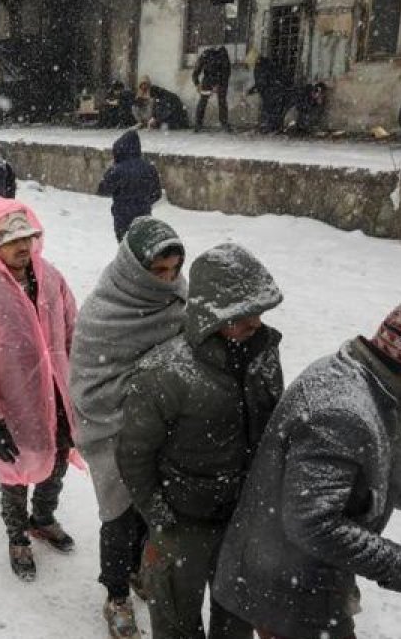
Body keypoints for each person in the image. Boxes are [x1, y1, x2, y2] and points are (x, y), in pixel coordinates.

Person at [214, 300, 401, 639]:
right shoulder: (343, 412)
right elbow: (314, 525)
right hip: (290, 586)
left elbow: (361, 475)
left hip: (290, 571)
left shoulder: (364, 383)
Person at [116, 242, 283, 639]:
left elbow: (271, 430)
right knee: (175, 623)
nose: (255, 322)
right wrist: (159, 518)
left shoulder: (263, 354)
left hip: (243, 520)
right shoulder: (165, 373)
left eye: (258, 311)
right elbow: (134, 453)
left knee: (236, 622)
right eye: (242, 314)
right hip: (182, 524)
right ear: (210, 312)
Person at [68, 217, 187, 638]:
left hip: (162, 434)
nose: (168, 280)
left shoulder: (177, 303)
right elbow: (88, 385)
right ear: (134, 269)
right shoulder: (103, 314)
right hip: (113, 434)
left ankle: (140, 572)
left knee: (150, 513)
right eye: (158, 271)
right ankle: (115, 594)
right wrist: (142, 397)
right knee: (118, 516)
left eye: (174, 270)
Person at [0, 198, 83, 582]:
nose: (21, 246)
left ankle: (42, 518)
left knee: (58, 458)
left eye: (27, 236)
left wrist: (81, 387)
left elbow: (74, 333)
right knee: (15, 475)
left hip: (57, 395)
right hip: (14, 405)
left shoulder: (51, 278)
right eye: (10, 239)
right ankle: (18, 537)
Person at [97, 130, 162, 241]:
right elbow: (157, 194)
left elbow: (102, 189)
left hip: (123, 217)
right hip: (144, 216)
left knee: (126, 247)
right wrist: (144, 202)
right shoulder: (149, 167)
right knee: (142, 246)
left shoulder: (117, 170)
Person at [249, 56, 293, 134]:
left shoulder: (260, 68)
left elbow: (261, 83)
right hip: (275, 91)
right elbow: (262, 82)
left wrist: (252, 90)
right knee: (275, 111)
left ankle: (271, 128)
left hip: (271, 93)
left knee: (270, 111)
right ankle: (274, 128)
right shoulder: (266, 65)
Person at [193, 46, 232, 133]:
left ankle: (223, 123)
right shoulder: (207, 54)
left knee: (220, 101)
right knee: (205, 101)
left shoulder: (218, 55)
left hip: (217, 80)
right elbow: (196, 71)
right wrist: (197, 84)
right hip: (208, 80)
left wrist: (219, 84)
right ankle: (198, 124)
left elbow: (226, 72)